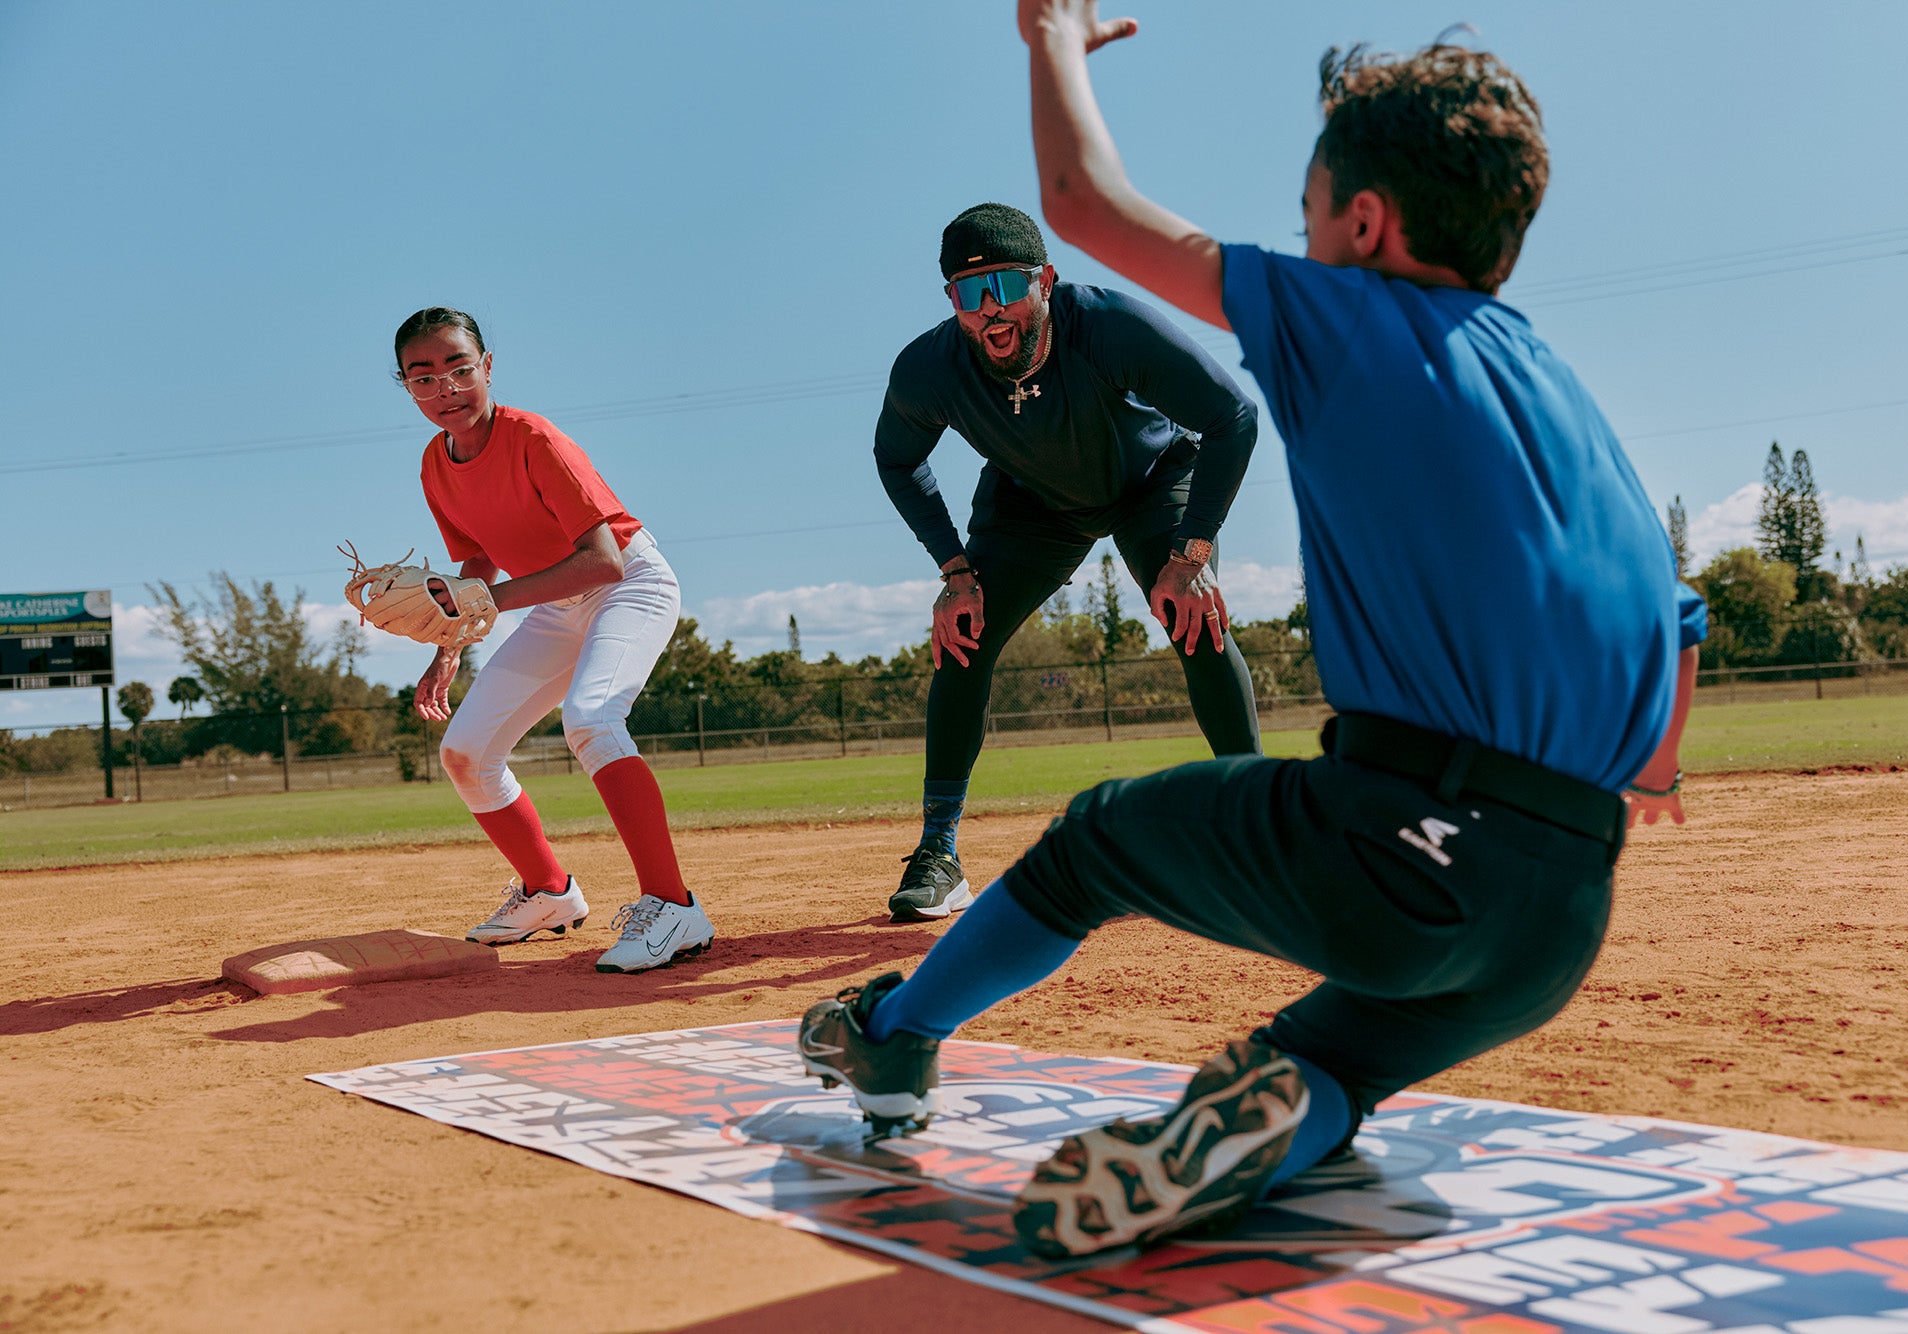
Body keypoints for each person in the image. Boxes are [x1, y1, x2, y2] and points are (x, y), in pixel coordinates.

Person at [799, 5, 1707, 1260]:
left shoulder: (1345, 317)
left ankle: (896, 1034)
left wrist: (1050, 39)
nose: (1301, 235)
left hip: (1403, 849)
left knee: (1088, 843)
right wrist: (1649, 771)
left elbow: (1080, 202)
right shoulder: (1561, 388)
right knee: (1333, 1053)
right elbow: (1676, 622)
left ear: (1364, 226)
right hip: (1558, 915)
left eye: (1307, 211)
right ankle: (1271, 1124)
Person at [874, 200, 1263, 921]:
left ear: (1046, 281)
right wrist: (955, 572)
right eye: (967, 292)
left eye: (1005, 285)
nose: (989, 309)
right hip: (1033, 504)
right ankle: (938, 852)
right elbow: (896, 459)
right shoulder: (930, 368)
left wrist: (1192, 554)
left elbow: (1233, 417)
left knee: (1193, 620)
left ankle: (1259, 829)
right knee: (963, 637)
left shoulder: (1109, 326)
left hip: (1150, 483)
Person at [391, 307, 714, 974]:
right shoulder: (434, 465)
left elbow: (604, 562)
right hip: (555, 605)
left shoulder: (534, 438)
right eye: (423, 378)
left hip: (630, 585)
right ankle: (548, 892)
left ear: (487, 367)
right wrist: (449, 646)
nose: (445, 388)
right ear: (406, 387)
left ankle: (673, 906)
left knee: (592, 719)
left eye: (459, 369)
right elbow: (478, 559)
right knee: (465, 753)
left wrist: (487, 603)